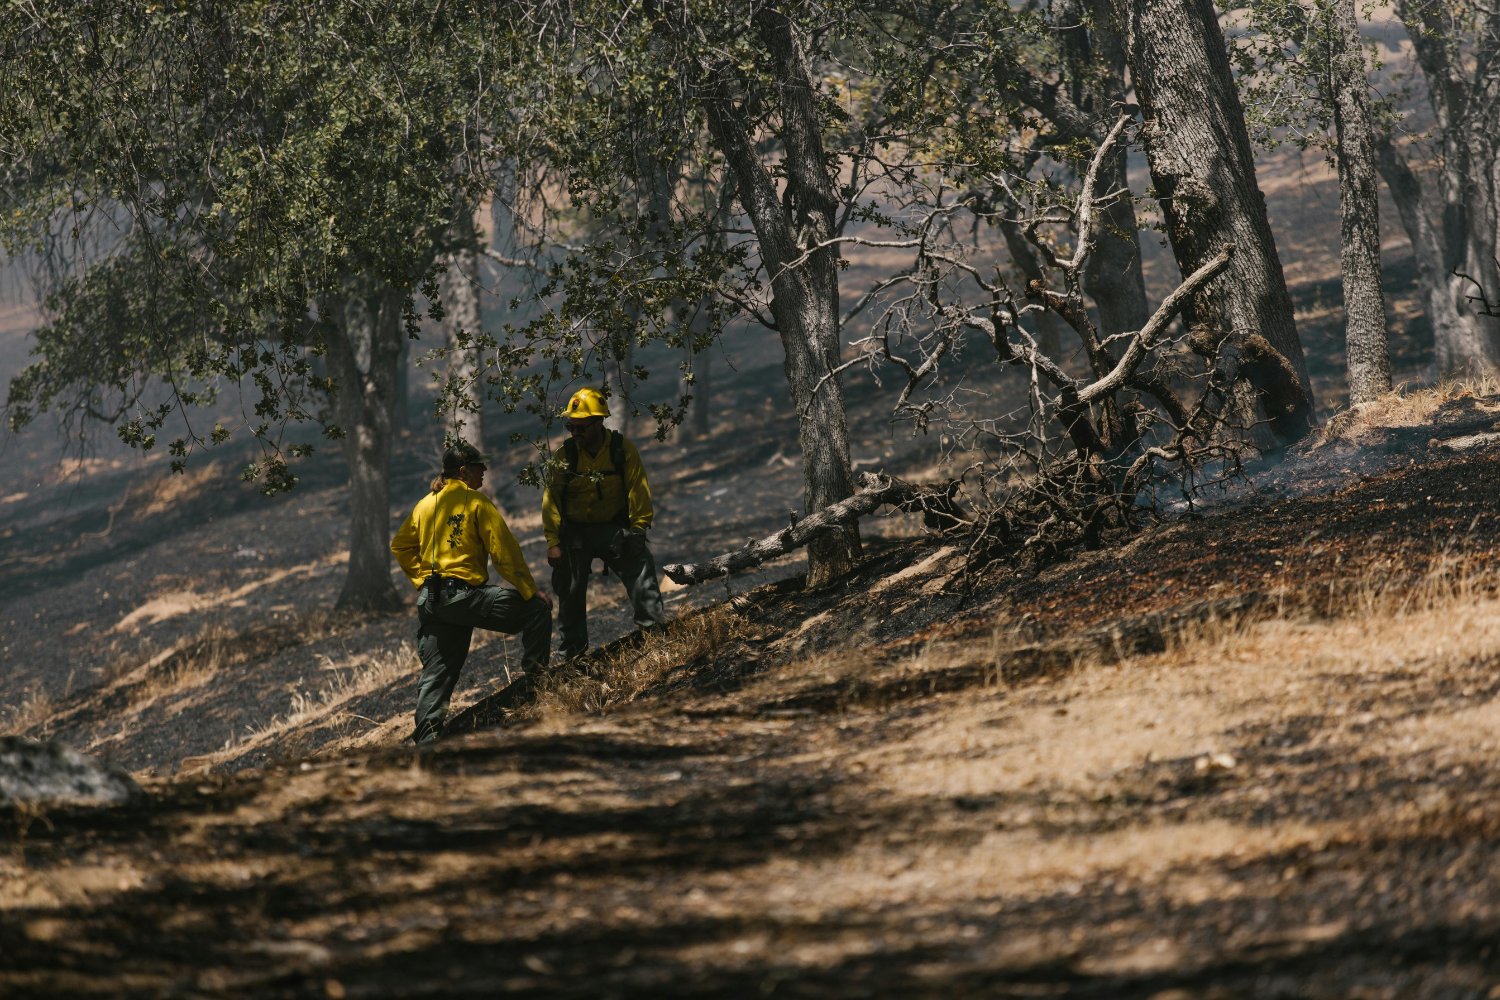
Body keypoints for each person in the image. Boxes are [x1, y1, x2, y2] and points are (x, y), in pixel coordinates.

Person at [391, 440, 552, 745]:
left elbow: (400, 546)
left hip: (432, 601)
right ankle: (538, 685)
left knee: (437, 674)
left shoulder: (425, 505)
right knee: (537, 611)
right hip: (462, 596)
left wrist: (422, 579)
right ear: (464, 471)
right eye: (480, 467)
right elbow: (504, 553)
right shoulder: (475, 502)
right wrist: (530, 591)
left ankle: (427, 745)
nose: (485, 471)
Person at [542, 387, 665, 660]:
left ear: (599, 423)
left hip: (613, 529)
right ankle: (574, 655)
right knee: (569, 591)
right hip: (574, 533)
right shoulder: (565, 456)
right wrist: (553, 543)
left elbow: (638, 490)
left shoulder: (622, 450)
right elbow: (551, 501)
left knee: (641, 569)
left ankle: (654, 635)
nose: (575, 433)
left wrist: (638, 530)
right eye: (570, 426)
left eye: (581, 427)